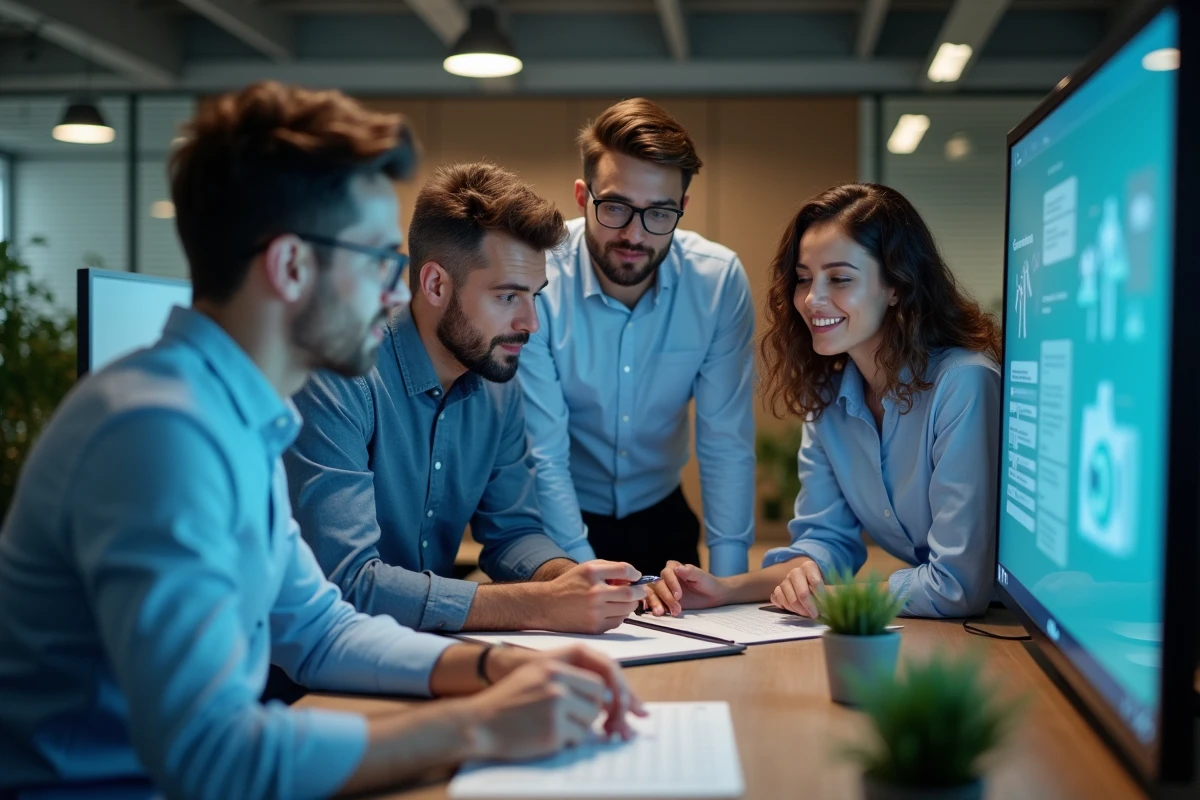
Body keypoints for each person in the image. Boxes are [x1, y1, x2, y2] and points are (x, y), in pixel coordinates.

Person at [0, 82, 642, 800]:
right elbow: (212, 758)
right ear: (291, 267)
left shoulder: (237, 415)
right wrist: (479, 727)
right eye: (373, 260)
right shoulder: (160, 433)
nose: (392, 293)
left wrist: (498, 669)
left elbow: (319, 627)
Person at [285, 161, 647, 635]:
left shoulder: (497, 382)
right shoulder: (337, 377)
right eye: (507, 297)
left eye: (535, 295)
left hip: (418, 651)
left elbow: (513, 532)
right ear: (436, 284)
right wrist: (541, 604)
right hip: (302, 674)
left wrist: (573, 580)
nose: (531, 323)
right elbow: (350, 584)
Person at [644, 183, 1002, 620]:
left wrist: (828, 600)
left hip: (1004, 631)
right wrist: (724, 590)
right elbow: (825, 546)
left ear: (897, 285)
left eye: (840, 278)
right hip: (930, 626)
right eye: (804, 278)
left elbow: (957, 587)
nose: (812, 299)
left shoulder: (964, 384)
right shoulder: (830, 399)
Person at [517, 98, 756, 578]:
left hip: (662, 516)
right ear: (583, 197)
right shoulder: (537, 277)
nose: (634, 234)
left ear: (683, 208)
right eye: (616, 207)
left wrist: (729, 587)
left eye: (659, 214)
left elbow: (725, 441)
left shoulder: (716, 281)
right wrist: (586, 577)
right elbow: (543, 451)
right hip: (554, 517)